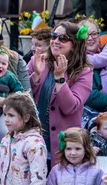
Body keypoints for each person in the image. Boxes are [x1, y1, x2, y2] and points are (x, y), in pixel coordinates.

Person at [28, 22, 93, 158]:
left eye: (62, 38)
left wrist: (60, 79)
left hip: (63, 145)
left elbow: (70, 107)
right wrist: (36, 76)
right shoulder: (37, 61)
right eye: (54, 36)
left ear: (74, 44)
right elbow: (22, 96)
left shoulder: (84, 71)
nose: (55, 41)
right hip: (33, 140)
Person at [0, 93, 48, 185]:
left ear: (26, 118)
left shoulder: (34, 144)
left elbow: (38, 180)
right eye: (5, 115)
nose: (6, 119)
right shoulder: (6, 139)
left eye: (11, 115)